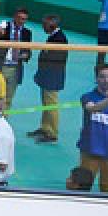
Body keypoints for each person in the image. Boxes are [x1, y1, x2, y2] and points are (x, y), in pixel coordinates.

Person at [71, 64, 108, 194]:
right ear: (96, 79)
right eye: (102, 77)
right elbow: (93, 108)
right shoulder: (87, 97)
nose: (106, 80)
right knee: (82, 187)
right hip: (90, 150)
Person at [30, 14, 69, 143]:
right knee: (46, 104)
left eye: (45, 24)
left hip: (52, 77)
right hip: (47, 76)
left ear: (53, 25)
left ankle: (52, 133)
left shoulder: (60, 39)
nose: (43, 26)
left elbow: (54, 59)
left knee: (51, 104)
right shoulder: (54, 37)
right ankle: (45, 127)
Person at [0, 7, 32, 111]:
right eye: (20, 18)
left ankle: (2, 123)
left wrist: (25, 55)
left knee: (8, 99)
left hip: (15, 69)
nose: (21, 21)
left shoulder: (27, 33)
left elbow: (28, 51)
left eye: (24, 19)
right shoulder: (0, 28)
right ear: (14, 17)